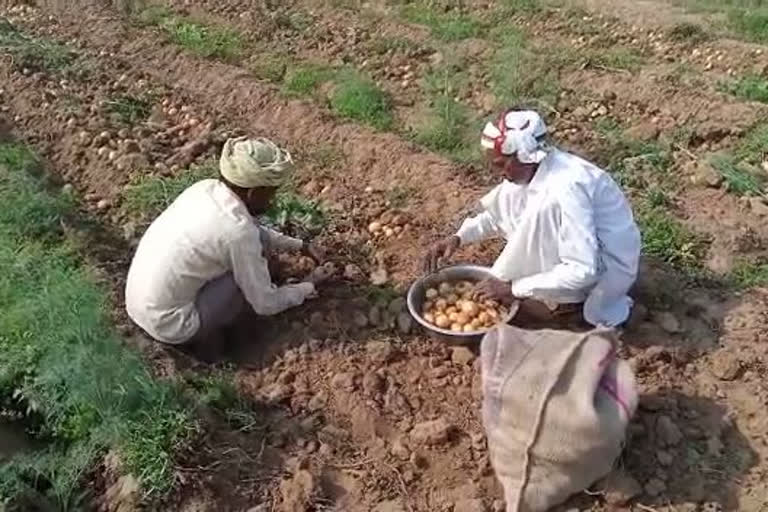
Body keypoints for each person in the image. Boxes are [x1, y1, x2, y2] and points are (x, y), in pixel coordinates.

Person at [424, 109, 641, 328]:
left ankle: (571, 305)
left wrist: (512, 288)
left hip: (605, 267)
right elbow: (498, 214)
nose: (494, 172)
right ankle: (544, 288)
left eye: (499, 164)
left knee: (537, 223)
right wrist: (458, 237)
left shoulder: (564, 191)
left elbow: (582, 270)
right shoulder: (530, 171)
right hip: (581, 250)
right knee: (525, 220)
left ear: (524, 157)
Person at [125, 137, 327, 358]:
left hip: (138, 306)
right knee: (247, 279)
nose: (272, 201)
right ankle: (213, 346)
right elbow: (264, 304)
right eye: (270, 193)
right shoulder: (238, 233)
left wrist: (300, 245)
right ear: (252, 193)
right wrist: (307, 286)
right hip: (172, 326)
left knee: (250, 255)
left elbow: (252, 232)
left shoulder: (205, 189)